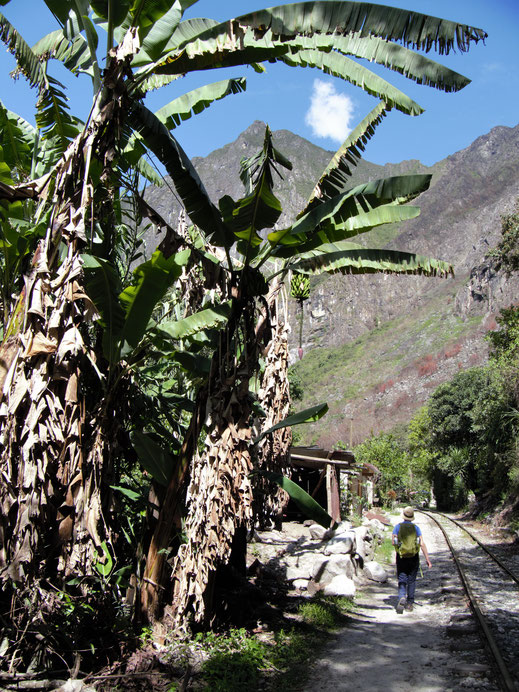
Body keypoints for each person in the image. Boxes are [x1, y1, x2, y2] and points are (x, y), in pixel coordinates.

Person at [392, 506, 432, 613]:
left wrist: (399, 548)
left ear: (403, 516)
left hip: (401, 557)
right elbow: (421, 544)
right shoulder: (416, 528)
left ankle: (401, 596)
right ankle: (409, 603)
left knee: (402, 577)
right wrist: (427, 559)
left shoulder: (397, 527)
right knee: (412, 580)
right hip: (414, 557)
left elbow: (393, 542)